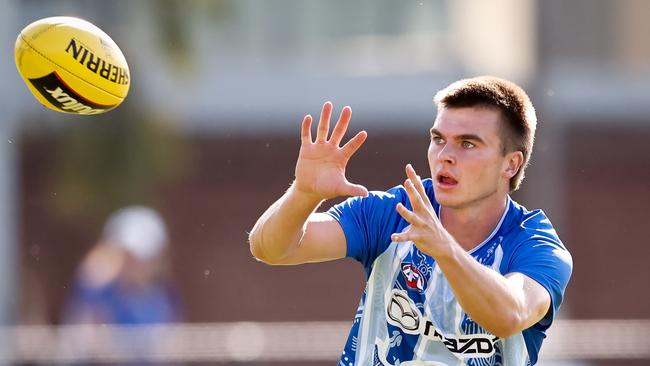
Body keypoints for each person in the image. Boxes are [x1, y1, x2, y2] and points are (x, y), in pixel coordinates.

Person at [248, 76, 573, 365]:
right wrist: (304, 194)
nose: (445, 154)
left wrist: (445, 249)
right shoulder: (393, 212)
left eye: (468, 144)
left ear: (510, 164)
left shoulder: (536, 244)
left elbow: (510, 314)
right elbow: (271, 249)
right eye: (438, 139)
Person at [63, 205, 182, 365]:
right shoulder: (96, 291)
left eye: (141, 257)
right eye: (127, 255)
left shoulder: (162, 298)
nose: (134, 263)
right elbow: (86, 344)